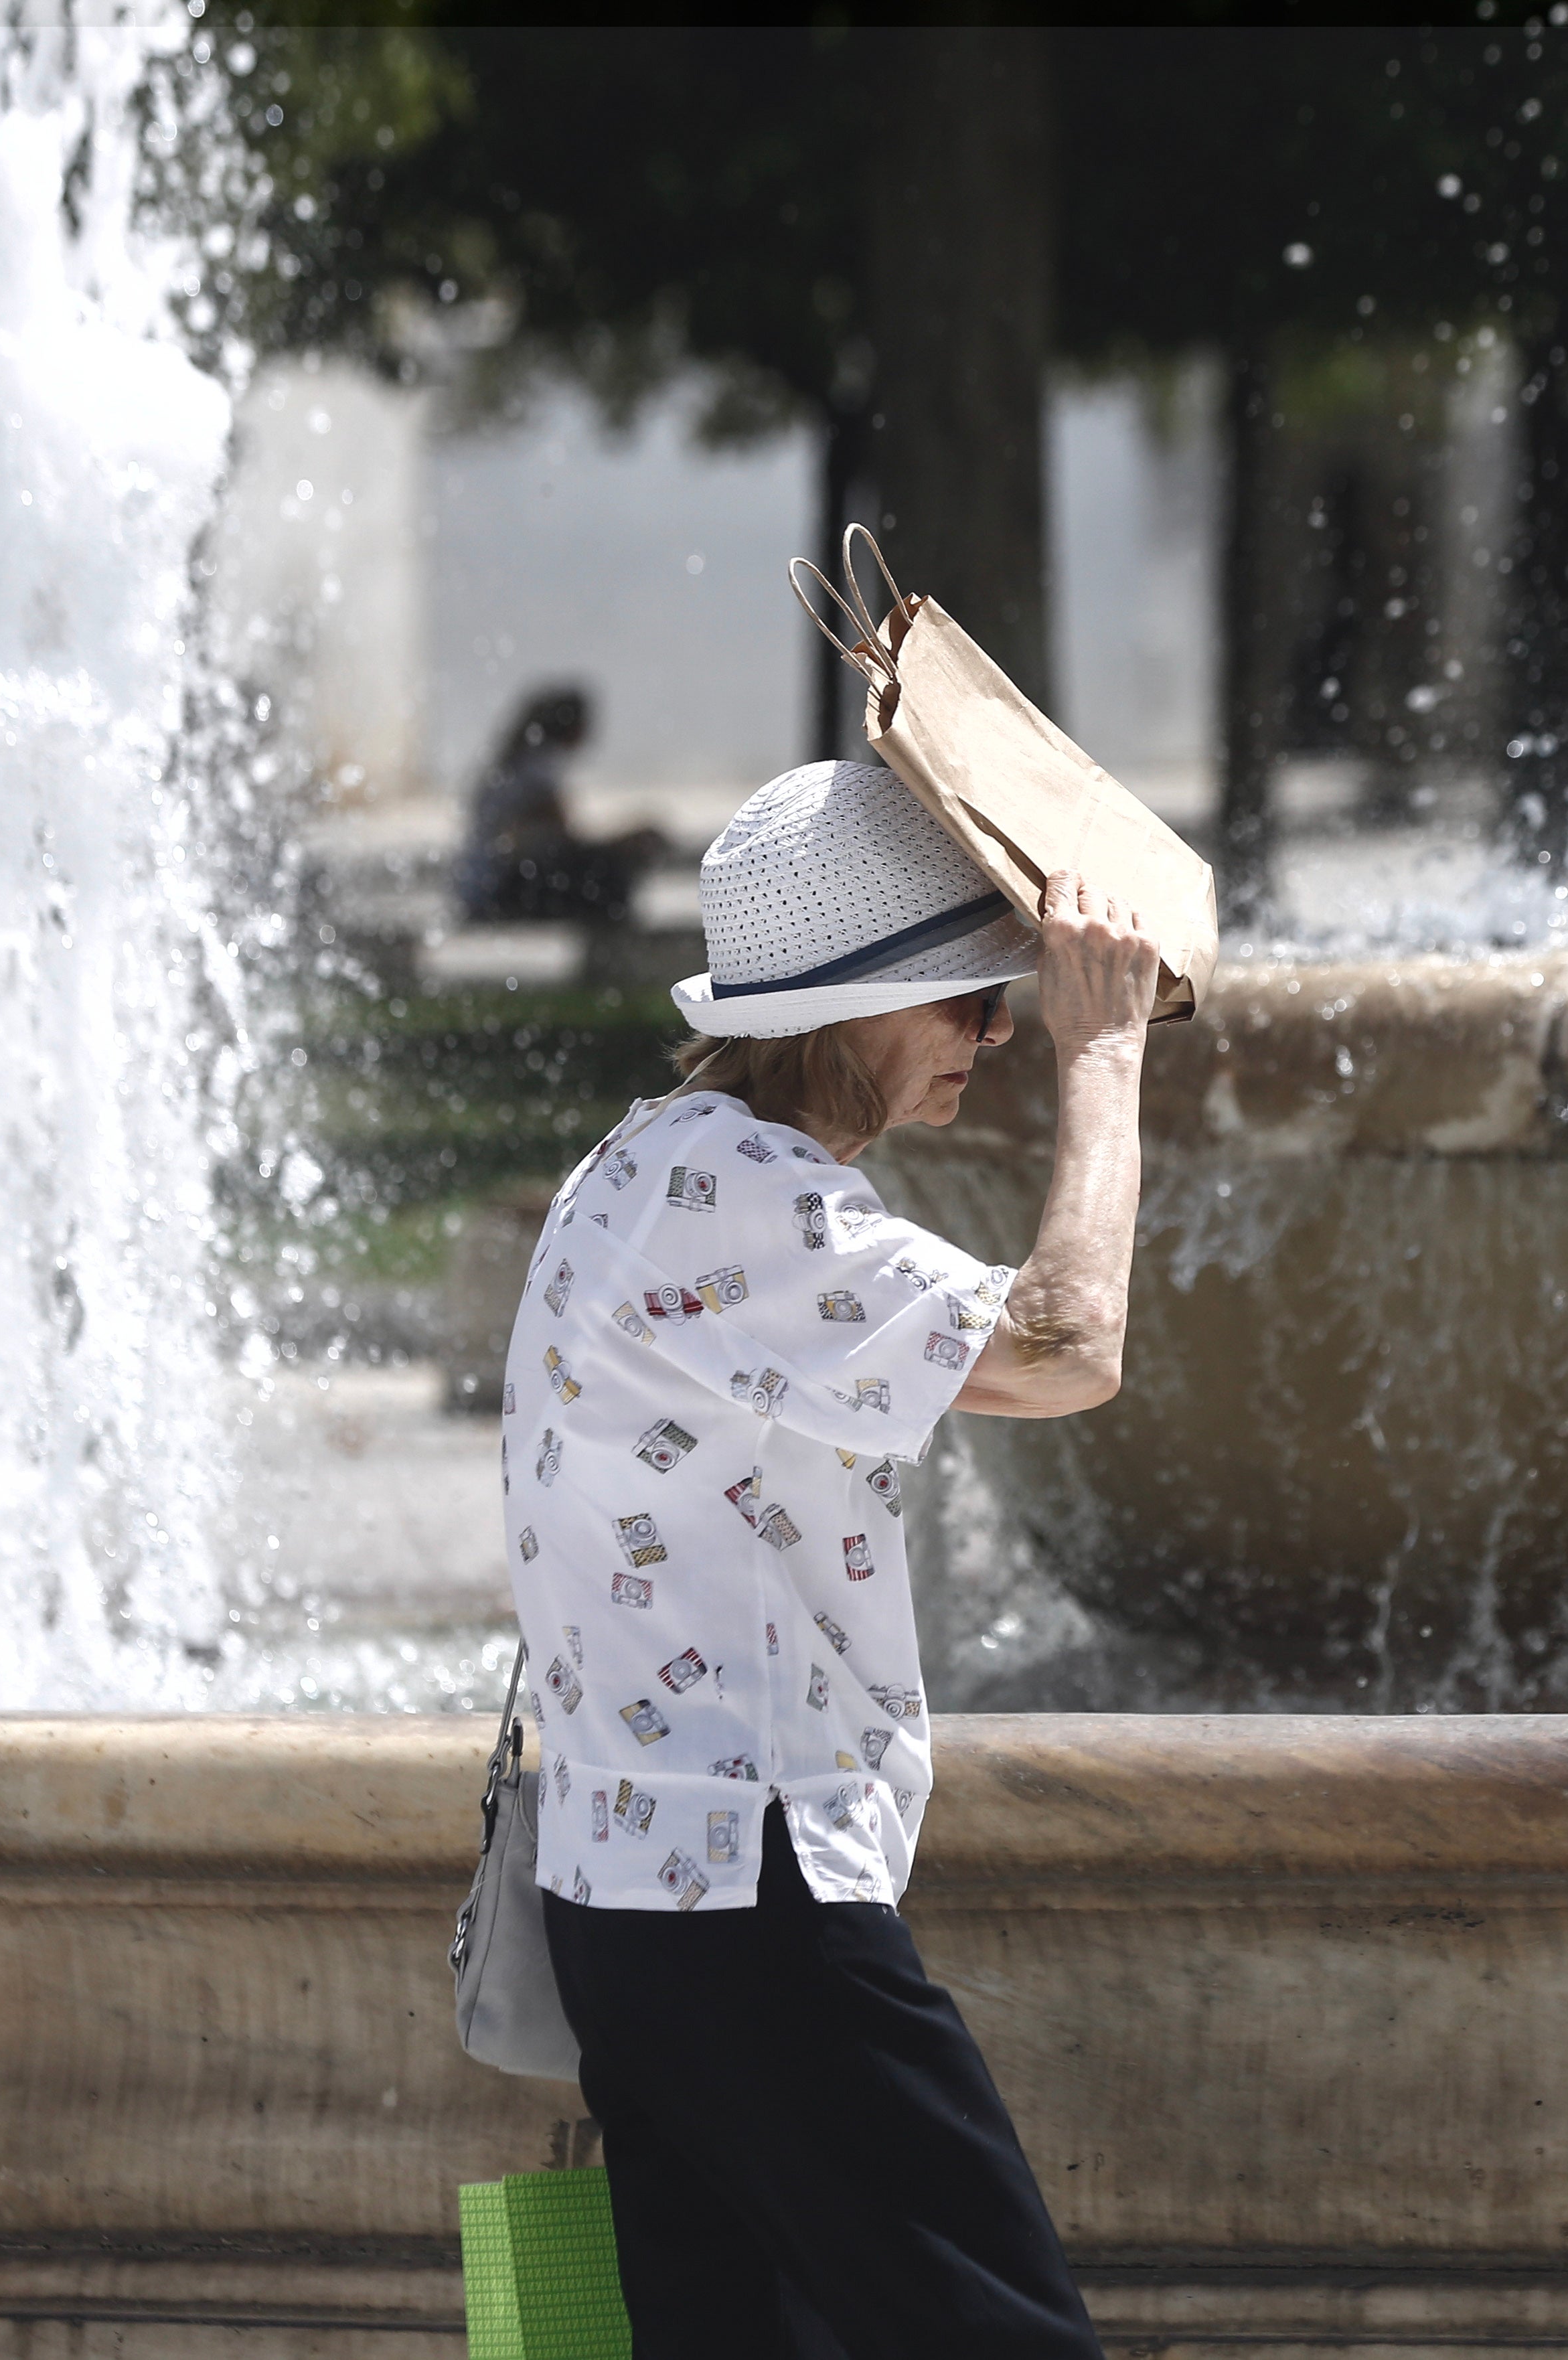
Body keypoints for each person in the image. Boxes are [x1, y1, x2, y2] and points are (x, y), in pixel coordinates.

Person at [501, 755, 1157, 2359]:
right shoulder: (738, 1198)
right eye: (967, 1008)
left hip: (628, 1888)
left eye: (1004, 1011)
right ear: (849, 1007)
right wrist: (1110, 1056)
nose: (992, 1044)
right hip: (752, 1895)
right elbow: (1068, 1344)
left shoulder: (641, 1160)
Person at [457, 683, 670, 923]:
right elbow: (559, 837)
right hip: (495, 893)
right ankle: (617, 951)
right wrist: (622, 842)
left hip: (481, 889)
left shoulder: (520, 763)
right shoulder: (536, 770)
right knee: (608, 876)